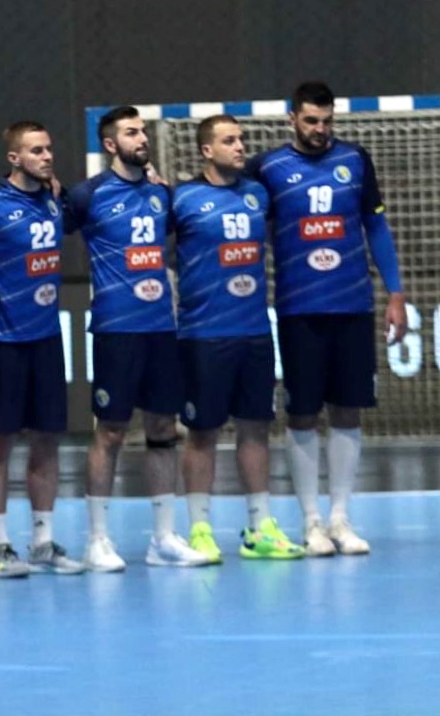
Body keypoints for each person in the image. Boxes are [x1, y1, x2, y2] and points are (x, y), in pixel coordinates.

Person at [245, 81, 407, 555]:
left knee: (348, 409)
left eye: (327, 121)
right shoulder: (267, 168)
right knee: (301, 412)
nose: (320, 129)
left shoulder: (355, 160)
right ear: (292, 119)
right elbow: (222, 190)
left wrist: (395, 294)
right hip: (298, 308)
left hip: (353, 305)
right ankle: (311, 522)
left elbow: (375, 225)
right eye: (311, 120)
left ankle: (340, 518)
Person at [67, 105, 210, 571]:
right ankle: (96, 540)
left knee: (163, 429)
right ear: (110, 144)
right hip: (116, 329)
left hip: (161, 328)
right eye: (132, 132)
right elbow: (41, 232)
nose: (142, 138)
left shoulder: (161, 194)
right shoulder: (88, 195)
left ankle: (163, 538)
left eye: (143, 131)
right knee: (110, 431)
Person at [172, 115, 306, 562]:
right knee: (202, 433)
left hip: (254, 331)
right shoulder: (181, 199)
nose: (239, 146)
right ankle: (200, 530)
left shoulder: (258, 194)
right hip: (203, 334)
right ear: (206, 150)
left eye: (241, 139)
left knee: (256, 429)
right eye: (228, 140)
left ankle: (259, 527)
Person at [0, 121, 86, 576]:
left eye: (49, 148)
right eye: (36, 150)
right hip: (2, 339)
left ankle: (43, 541)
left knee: (47, 439)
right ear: (14, 158)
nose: (47, 156)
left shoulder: (57, 199)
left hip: (47, 338)